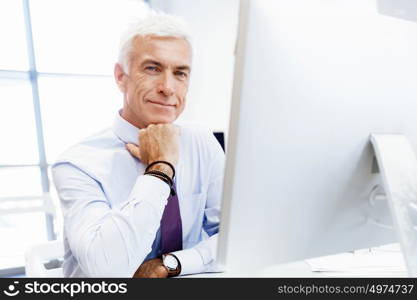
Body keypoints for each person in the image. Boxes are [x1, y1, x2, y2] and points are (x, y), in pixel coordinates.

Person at [52, 12, 225, 278]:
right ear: (121, 76)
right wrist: (160, 168)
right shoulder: (78, 164)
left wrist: (172, 264)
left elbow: (233, 239)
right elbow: (108, 270)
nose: (168, 88)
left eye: (180, 73)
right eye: (152, 68)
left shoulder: (201, 141)